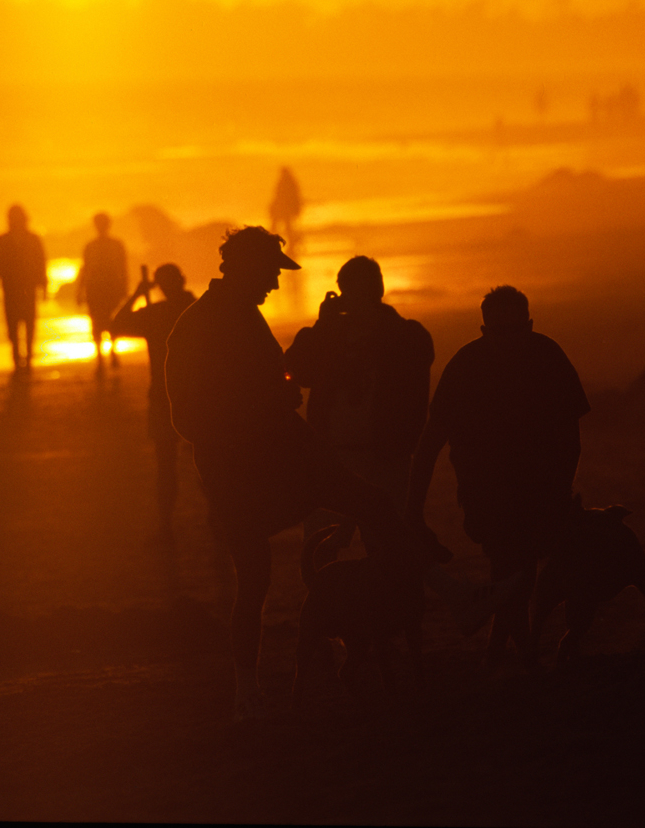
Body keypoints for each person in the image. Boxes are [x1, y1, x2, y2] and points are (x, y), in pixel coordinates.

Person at [165, 227, 493, 720]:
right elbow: (191, 414)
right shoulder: (207, 325)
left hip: (266, 459)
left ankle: (249, 693)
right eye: (272, 272)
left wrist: (287, 379)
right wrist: (265, 406)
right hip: (252, 464)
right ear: (249, 267)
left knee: (277, 564)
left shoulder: (222, 319)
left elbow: (266, 382)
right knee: (262, 576)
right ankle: (249, 691)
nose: (275, 283)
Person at [407, 286, 590, 670]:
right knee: (514, 570)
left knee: (515, 573)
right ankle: (521, 656)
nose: (509, 340)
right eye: (500, 332)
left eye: (516, 330)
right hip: (486, 491)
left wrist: (559, 490)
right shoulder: (465, 366)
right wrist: (413, 509)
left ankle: (503, 650)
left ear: (530, 324)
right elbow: (429, 443)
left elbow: (570, 438)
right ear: (484, 329)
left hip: (541, 488)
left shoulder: (548, 357)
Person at [284, 255, 434, 558]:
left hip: (385, 457)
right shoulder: (332, 334)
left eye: (363, 293)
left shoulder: (406, 336)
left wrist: (403, 442)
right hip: (334, 456)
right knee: (320, 547)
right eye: (353, 293)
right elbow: (296, 370)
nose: (359, 301)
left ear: (377, 291)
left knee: (387, 546)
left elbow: (415, 395)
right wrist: (322, 325)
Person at [109, 263, 197, 534]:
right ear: (182, 280)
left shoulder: (158, 314)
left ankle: (166, 525)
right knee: (206, 464)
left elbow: (116, 326)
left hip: (167, 396)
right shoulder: (199, 310)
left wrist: (136, 294)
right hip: (196, 394)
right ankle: (216, 521)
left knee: (166, 465)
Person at [0, 204, 49, 371]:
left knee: (29, 325)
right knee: (13, 327)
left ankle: (27, 360)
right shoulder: (1, 241)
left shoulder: (32, 240)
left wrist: (44, 285)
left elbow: (41, 264)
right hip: (11, 290)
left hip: (27, 289)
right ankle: (17, 359)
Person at [77, 212, 128, 374]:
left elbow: (123, 268)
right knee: (101, 323)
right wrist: (79, 290)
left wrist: (124, 288)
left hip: (107, 288)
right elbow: (85, 269)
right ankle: (104, 357)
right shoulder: (93, 246)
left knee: (107, 322)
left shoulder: (113, 245)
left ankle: (109, 354)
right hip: (98, 289)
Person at [268, 166, 303, 253]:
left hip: (284, 209)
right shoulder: (290, 182)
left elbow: (281, 196)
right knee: (284, 227)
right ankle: (290, 243)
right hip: (284, 209)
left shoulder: (286, 182)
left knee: (279, 226)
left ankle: (270, 243)